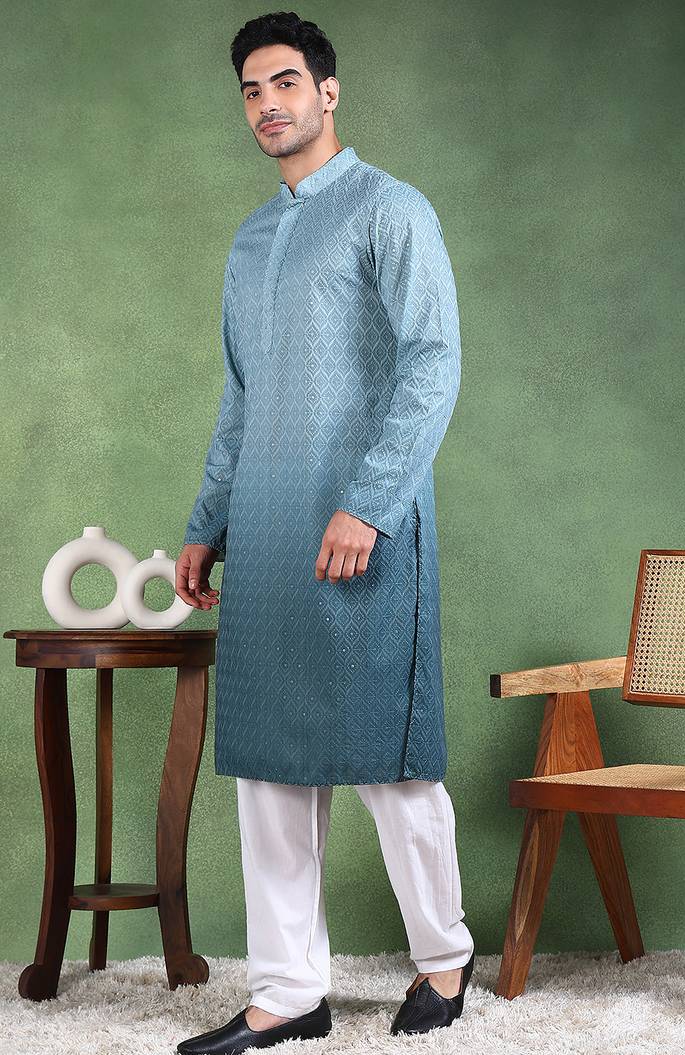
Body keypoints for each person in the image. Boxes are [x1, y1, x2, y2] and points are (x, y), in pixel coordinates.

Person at [174, 11, 474, 1053]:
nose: (268, 104)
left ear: (328, 91)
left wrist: (370, 501)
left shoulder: (391, 209)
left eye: (286, 83)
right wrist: (207, 523)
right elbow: (242, 394)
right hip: (264, 530)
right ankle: (288, 990)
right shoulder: (252, 239)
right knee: (269, 767)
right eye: (252, 91)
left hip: (361, 526)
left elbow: (433, 361)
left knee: (389, 759)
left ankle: (444, 956)